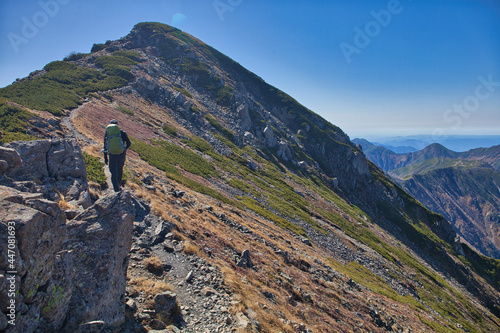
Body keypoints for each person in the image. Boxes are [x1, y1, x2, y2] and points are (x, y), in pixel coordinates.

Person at [103, 119, 131, 192]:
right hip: (121, 155)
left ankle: (116, 189)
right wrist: (124, 149)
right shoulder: (122, 133)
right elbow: (129, 143)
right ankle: (118, 184)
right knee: (120, 169)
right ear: (117, 125)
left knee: (113, 172)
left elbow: (105, 146)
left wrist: (105, 158)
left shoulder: (108, 134)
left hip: (112, 155)